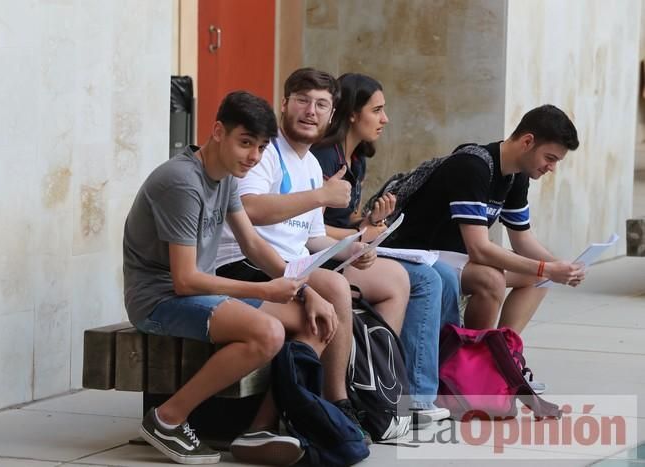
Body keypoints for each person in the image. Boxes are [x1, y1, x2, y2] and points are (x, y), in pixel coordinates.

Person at [216, 68, 445, 424]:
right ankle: (338, 399)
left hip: (294, 264)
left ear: (332, 114)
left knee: (396, 279)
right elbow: (250, 209)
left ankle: (372, 384)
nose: (311, 111)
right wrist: (320, 195)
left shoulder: (309, 163)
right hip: (250, 263)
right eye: (303, 101)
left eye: (321, 104)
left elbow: (312, 237)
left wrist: (356, 247)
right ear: (284, 104)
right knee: (334, 289)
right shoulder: (267, 151)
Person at [123, 91, 339, 466]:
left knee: (313, 321)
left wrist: (307, 293)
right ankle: (167, 418)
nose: (253, 157)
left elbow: (253, 244)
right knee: (268, 332)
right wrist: (264, 290)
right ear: (218, 131)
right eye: (245, 143)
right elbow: (185, 280)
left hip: (193, 294)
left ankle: (261, 428)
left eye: (260, 147)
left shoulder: (224, 179)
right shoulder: (181, 182)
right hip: (157, 301)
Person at [310, 72, 459, 421]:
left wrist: (370, 222)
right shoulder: (324, 158)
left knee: (445, 274)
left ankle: (433, 380)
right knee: (426, 280)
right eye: (376, 110)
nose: (384, 119)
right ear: (351, 113)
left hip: (351, 247)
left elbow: (346, 221)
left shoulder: (357, 158)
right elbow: (311, 227)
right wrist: (358, 237)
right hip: (323, 257)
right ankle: (406, 394)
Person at [379, 104, 585, 341]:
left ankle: (503, 354)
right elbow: (479, 249)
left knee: (539, 277)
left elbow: (522, 240)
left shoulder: (517, 176)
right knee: (490, 279)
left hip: (455, 258)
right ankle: (471, 363)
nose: (552, 168)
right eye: (550, 158)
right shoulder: (472, 167)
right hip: (417, 254)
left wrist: (562, 268)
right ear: (527, 142)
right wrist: (546, 267)